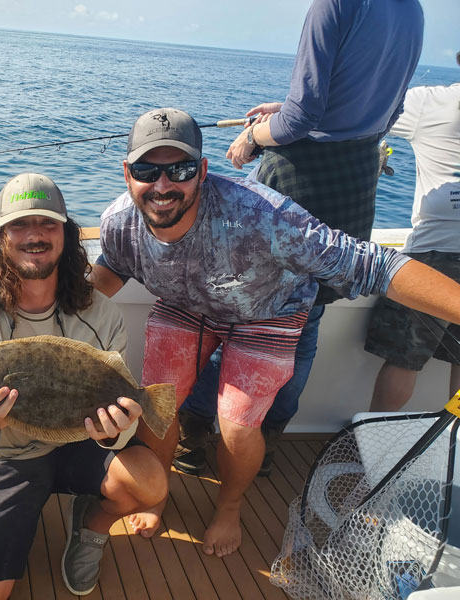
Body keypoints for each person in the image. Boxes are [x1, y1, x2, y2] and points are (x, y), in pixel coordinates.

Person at [92, 107, 460, 557]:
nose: (163, 185)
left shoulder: (261, 215)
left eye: (181, 169)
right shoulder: (118, 222)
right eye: (148, 170)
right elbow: (108, 271)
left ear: (203, 172)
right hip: (185, 305)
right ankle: (158, 490)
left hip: (269, 310)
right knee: (157, 402)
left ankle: (230, 507)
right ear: (127, 173)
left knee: (237, 424)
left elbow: (372, 263)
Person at [177, 0, 426, 477]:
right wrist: (286, 109)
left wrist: (254, 135)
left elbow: (297, 123)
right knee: (304, 323)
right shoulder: (411, 10)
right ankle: (268, 442)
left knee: (236, 315)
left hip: (299, 179)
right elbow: (387, 111)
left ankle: (196, 431)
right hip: (354, 182)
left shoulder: (334, 4)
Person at [0, 173, 166, 599]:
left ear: (67, 234)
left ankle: (91, 524)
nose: (34, 235)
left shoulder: (103, 313)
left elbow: (117, 398)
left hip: (84, 443)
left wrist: (118, 429)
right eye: (19, 225)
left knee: (150, 483)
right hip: (7, 454)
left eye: (48, 224)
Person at [365, 54, 460, 411]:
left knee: (404, 358)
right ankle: (454, 455)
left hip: (434, 256)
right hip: (438, 253)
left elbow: (357, 110)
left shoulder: (428, 103)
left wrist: (288, 114)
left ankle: (373, 457)